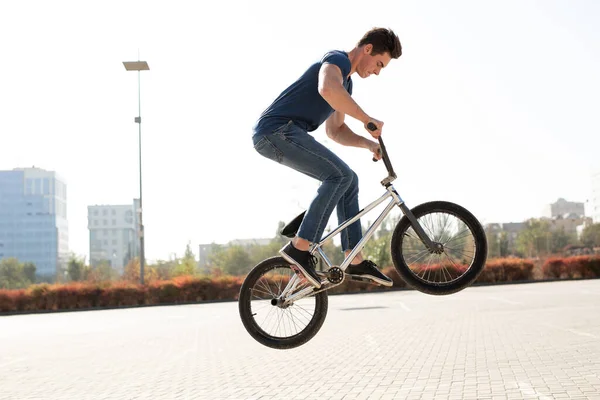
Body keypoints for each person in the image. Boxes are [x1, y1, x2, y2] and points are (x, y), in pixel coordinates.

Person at [251, 27, 402, 289]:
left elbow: (335, 131)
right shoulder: (337, 60)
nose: (377, 72)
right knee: (338, 176)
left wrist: (368, 144)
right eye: (379, 64)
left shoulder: (348, 84)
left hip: (284, 134)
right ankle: (300, 247)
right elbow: (327, 88)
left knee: (349, 180)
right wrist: (366, 119)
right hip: (277, 130)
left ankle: (353, 257)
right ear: (367, 49)